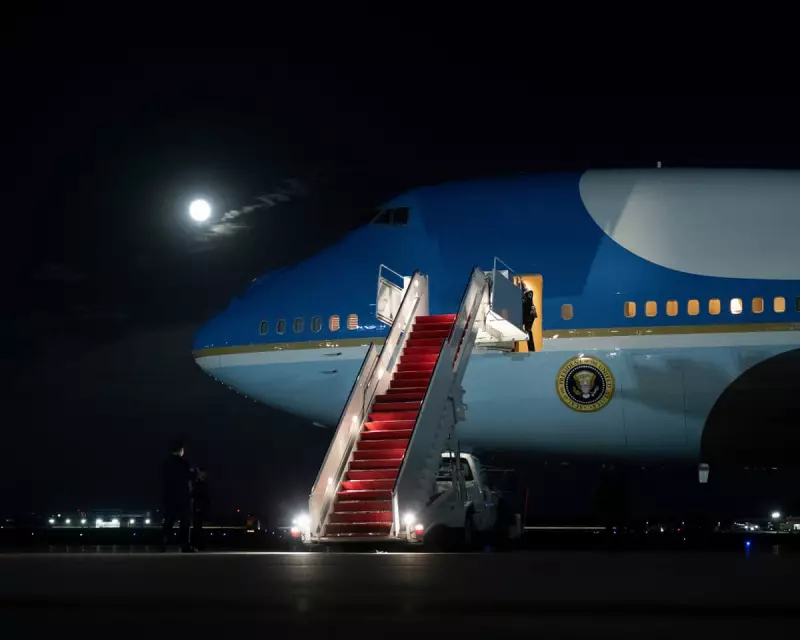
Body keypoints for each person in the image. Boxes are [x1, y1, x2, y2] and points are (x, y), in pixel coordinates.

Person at [161, 438, 195, 552]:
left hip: (170, 496)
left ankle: (163, 542)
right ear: (181, 450)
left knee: (169, 520)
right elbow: (188, 477)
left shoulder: (165, 463)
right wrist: (194, 473)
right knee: (185, 521)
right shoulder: (183, 462)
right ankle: (185, 545)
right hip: (182, 496)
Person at [192, 468, 209, 550]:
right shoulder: (200, 484)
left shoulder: (199, 484)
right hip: (198, 507)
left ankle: (198, 544)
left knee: (197, 526)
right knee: (198, 526)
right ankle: (199, 544)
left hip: (198, 507)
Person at [522, 284, 537, 352]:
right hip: (524, 316)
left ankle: (531, 349)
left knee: (528, 330)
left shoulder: (529, 293)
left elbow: (528, 303)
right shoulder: (522, 295)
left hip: (529, 316)